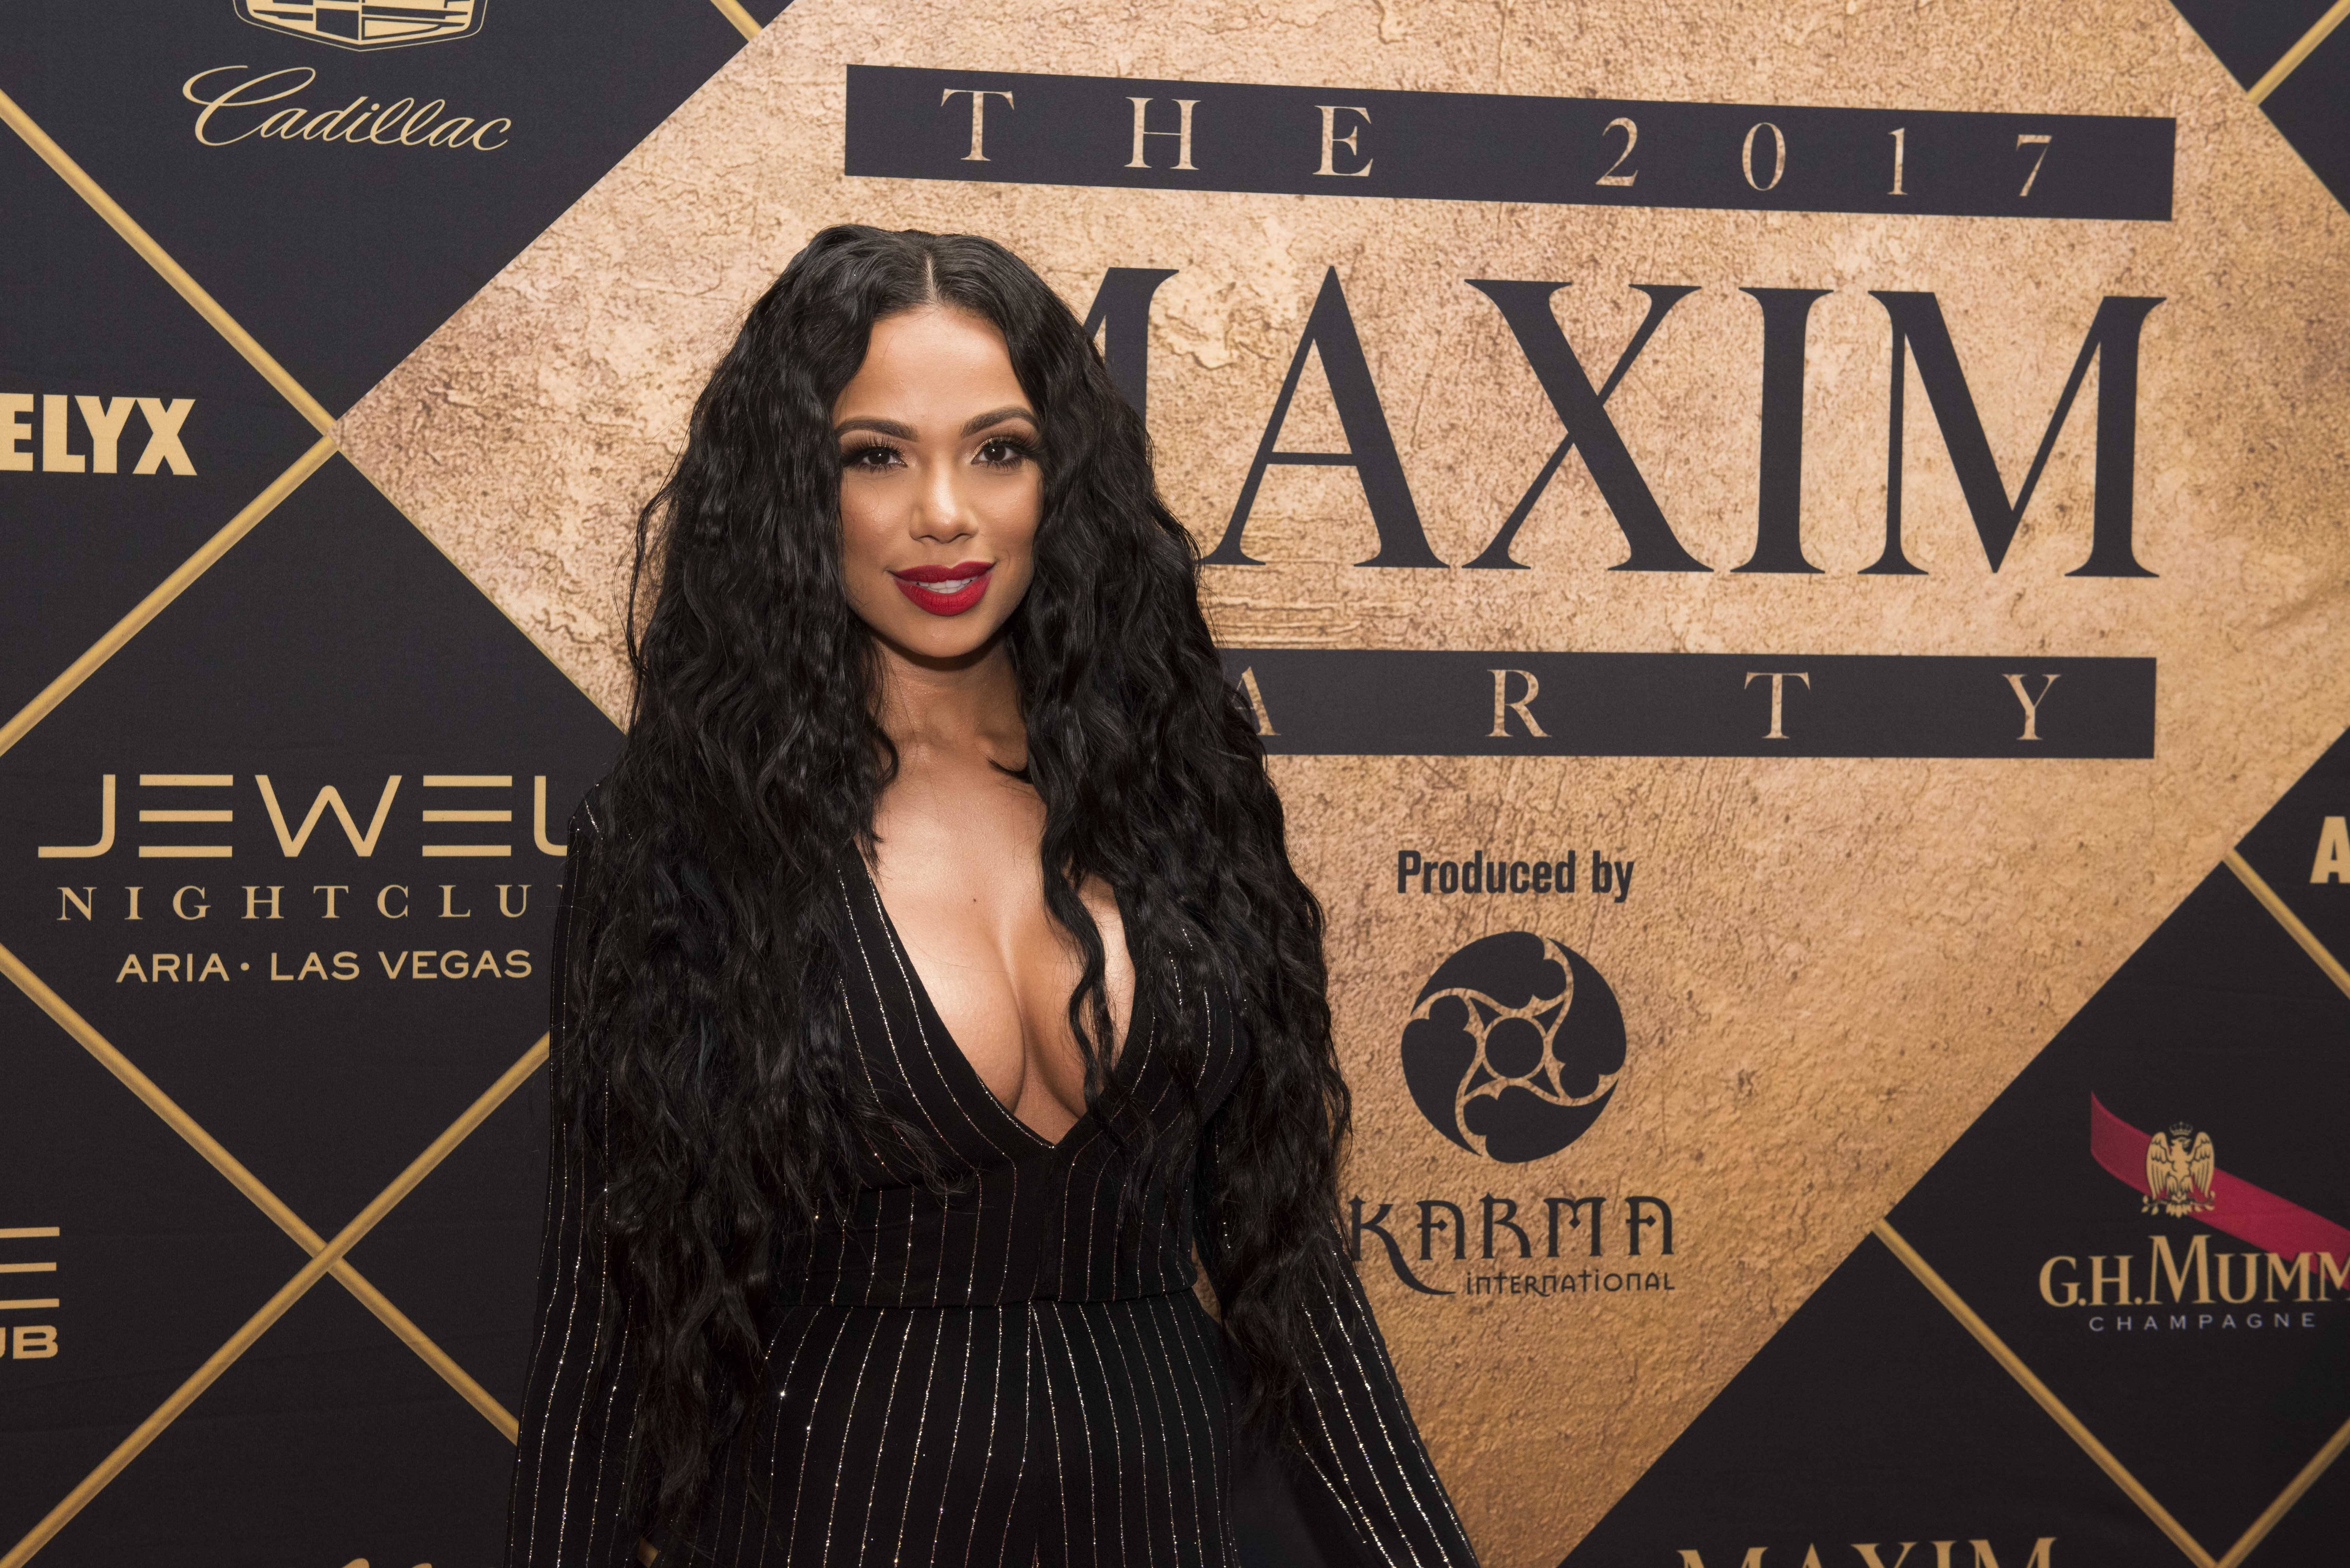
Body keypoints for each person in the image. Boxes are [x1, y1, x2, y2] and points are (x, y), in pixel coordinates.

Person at [505, 225, 1480, 1568]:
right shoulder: (683, 834)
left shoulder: (1178, 787)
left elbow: (1293, 1271)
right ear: (795, 488)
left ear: (1061, 478)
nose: (945, 512)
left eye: (998, 450)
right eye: (875, 456)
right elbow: (601, 1336)